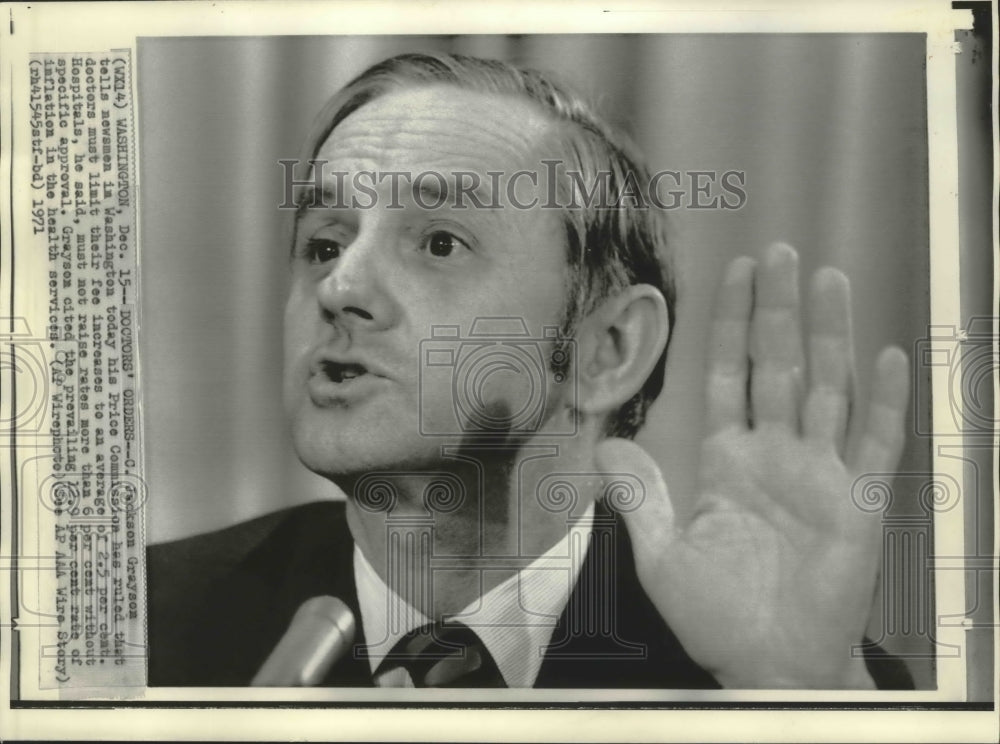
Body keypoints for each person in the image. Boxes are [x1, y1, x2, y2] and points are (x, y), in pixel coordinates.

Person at [147, 52, 913, 689]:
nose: (340, 288)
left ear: (605, 349)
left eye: (440, 242)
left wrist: (799, 707)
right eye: (324, 243)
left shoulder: (780, 674)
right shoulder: (149, 626)